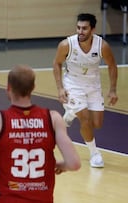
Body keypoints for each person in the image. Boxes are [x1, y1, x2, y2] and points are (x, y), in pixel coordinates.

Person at [0, 64, 81, 203]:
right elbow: (74, 163)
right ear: (33, 88)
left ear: (8, 88)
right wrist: (61, 165)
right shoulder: (53, 118)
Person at [52, 13, 118, 168]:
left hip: (93, 86)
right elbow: (56, 64)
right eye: (78, 28)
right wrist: (60, 88)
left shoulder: (102, 46)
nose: (81, 31)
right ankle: (95, 153)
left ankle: (70, 112)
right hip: (73, 85)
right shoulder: (66, 45)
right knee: (85, 120)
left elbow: (112, 66)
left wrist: (113, 89)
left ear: (93, 29)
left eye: (85, 28)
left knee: (97, 123)